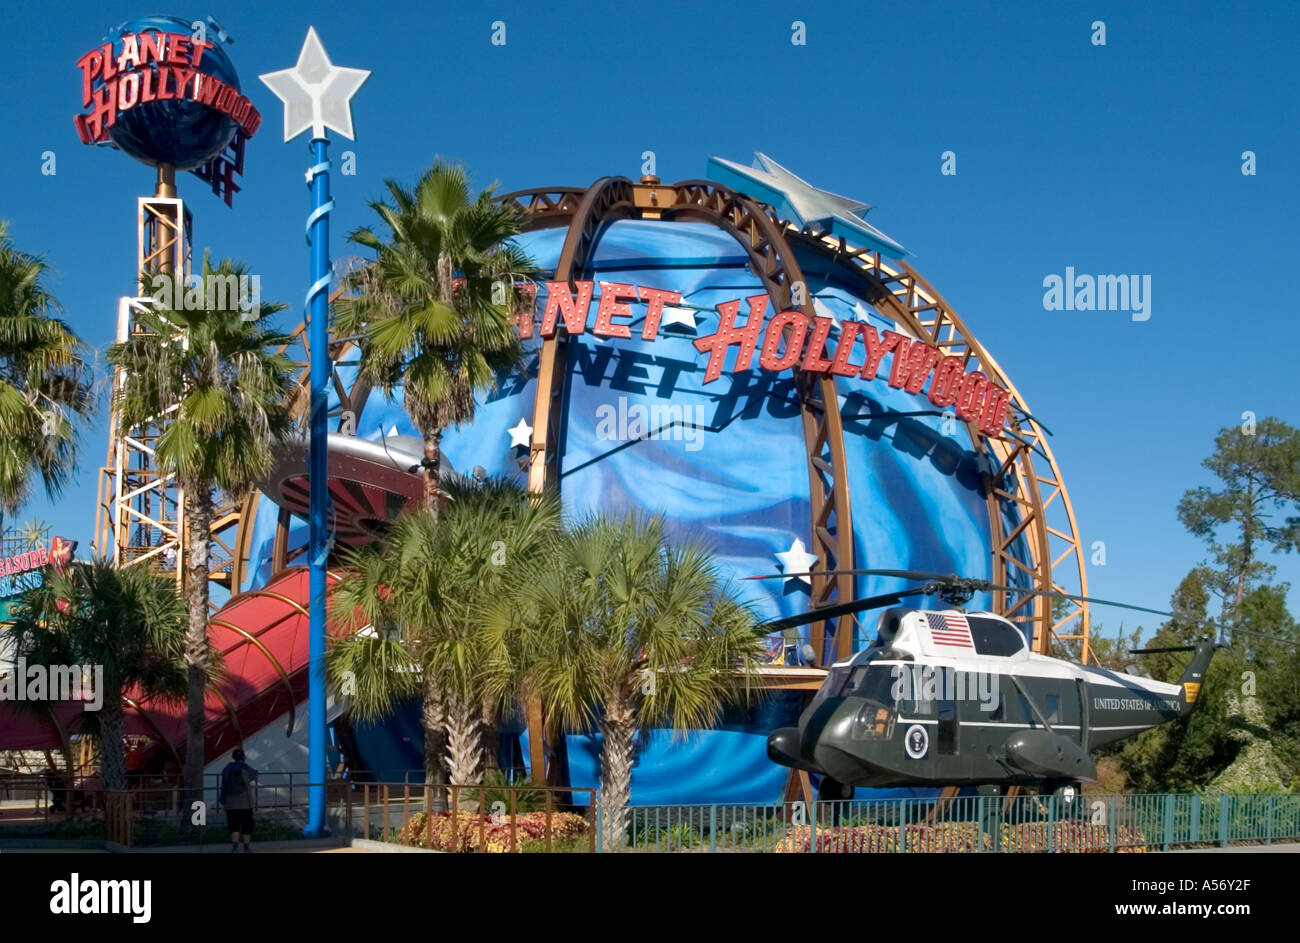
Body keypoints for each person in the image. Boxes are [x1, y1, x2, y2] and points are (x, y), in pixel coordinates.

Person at [218, 748, 258, 852]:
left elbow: (224, 786)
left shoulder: (226, 769)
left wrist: (222, 800)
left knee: (233, 826)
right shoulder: (246, 768)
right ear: (243, 757)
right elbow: (254, 776)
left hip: (230, 804)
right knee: (247, 825)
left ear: (233, 757)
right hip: (246, 803)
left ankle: (235, 846)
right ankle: (246, 846)